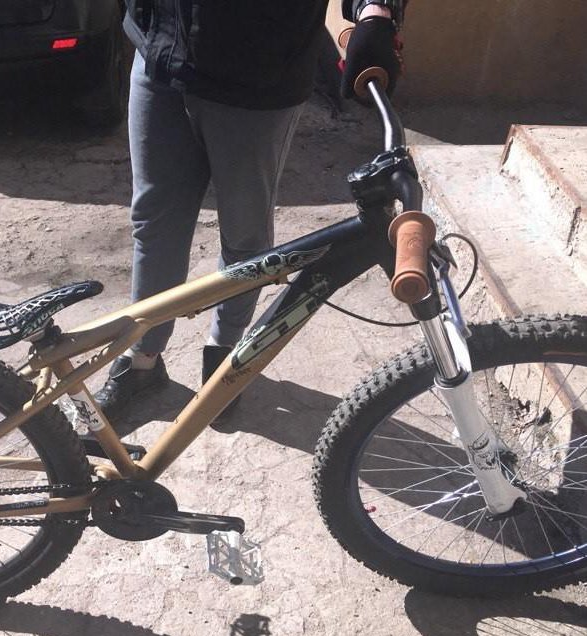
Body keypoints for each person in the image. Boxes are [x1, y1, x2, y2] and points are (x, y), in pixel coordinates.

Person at [95, 0, 406, 421]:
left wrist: (376, 11)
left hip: (258, 71)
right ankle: (142, 358)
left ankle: (226, 359)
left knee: (244, 234)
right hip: (159, 47)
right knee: (154, 223)